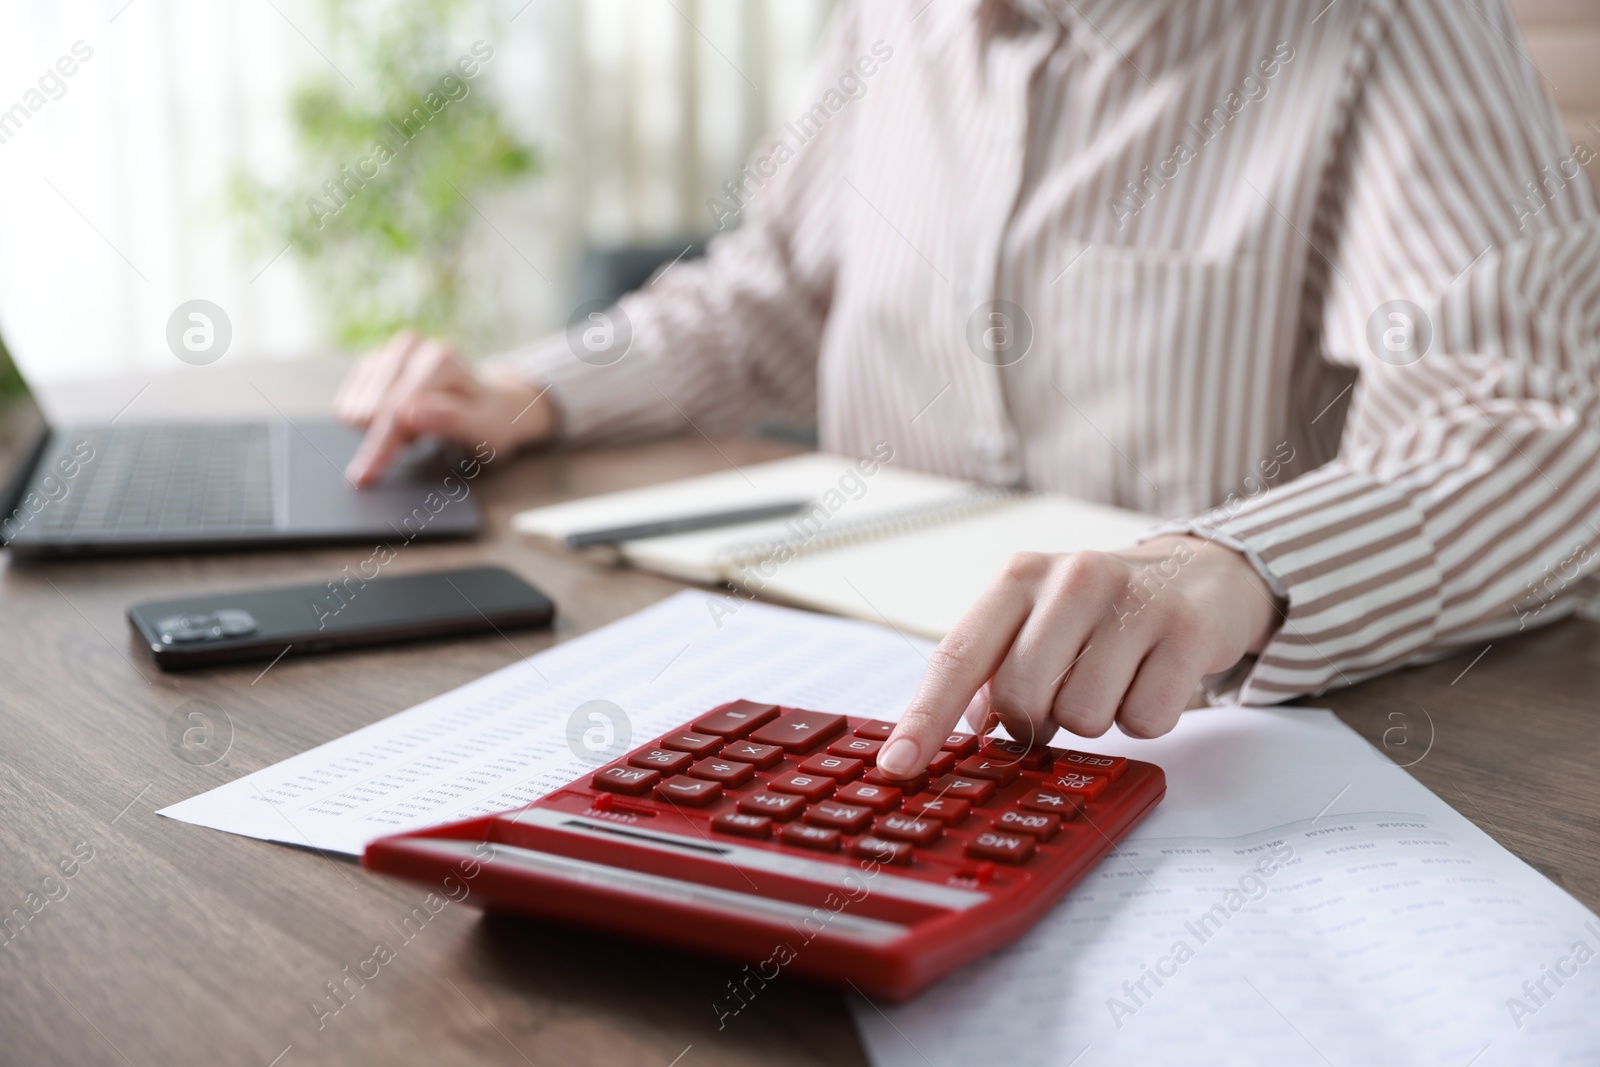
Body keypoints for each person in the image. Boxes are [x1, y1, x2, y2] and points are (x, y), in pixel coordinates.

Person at [335, 0, 1600, 782]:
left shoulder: (1383, 18)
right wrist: (529, 387)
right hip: (854, 688)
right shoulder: (894, 18)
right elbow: (777, 291)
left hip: (1211, 744)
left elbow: (1537, 424)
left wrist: (1230, 563)